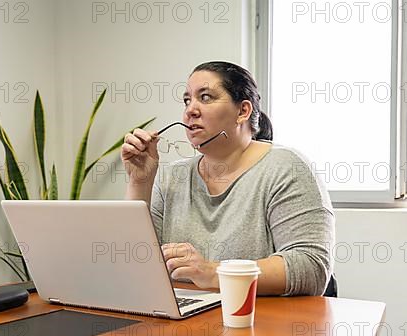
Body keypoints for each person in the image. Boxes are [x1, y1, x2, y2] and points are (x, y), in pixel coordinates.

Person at [121, 61, 335, 296]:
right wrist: (139, 182)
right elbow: (135, 267)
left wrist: (212, 273)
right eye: (187, 100)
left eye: (205, 97)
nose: (190, 109)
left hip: (260, 322)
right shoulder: (171, 177)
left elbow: (311, 267)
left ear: (243, 111)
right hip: (188, 321)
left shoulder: (287, 168)